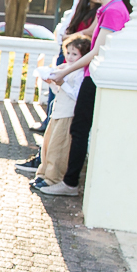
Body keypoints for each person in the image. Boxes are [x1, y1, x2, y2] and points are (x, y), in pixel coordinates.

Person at [39, 0, 132, 196]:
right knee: (79, 128)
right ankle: (68, 180)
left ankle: (69, 183)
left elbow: (97, 51)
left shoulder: (114, 10)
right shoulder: (107, 9)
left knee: (79, 129)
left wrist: (65, 72)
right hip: (92, 74)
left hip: (96, 76)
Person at [16, 0, 100, 173]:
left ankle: (54, 170)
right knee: (54, 111)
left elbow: (90, 34)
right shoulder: (83, 8)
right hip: (71, 55)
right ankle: (43, 162)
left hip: (79, 62)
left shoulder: (101, 12)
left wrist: (71, 41)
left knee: (65, 127)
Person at [36, 0, 93, 133]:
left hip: (77, 54)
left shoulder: (91, 8)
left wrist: (71, 36)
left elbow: (89, 31)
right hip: (65, 50)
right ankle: (49, 120)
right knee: (54, 83)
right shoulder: (76, 2)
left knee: (65, 87)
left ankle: (55, 124)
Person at [30, 37, 90, 188]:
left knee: (58, 148)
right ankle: (43, 173)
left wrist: (62, 82)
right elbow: (58, 91)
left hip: (67, 113)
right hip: (57, 111)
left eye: (74, 54)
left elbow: (76, 95)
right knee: (48, 145)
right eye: (68, 53)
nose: (70, 57)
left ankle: (53, 178)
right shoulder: (64, 68)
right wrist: (52, 83)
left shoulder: (80, 73)